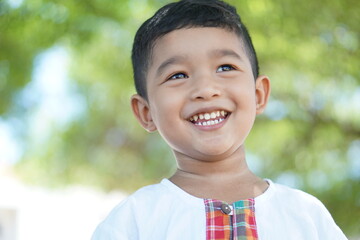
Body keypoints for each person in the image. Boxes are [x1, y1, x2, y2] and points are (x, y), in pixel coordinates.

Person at [91, 0, 348, 239]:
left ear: (258, 94)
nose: (205, 88)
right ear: (146, 112)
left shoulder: (306, 215)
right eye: (178, 75)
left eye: (225, 68)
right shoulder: (134, 220)